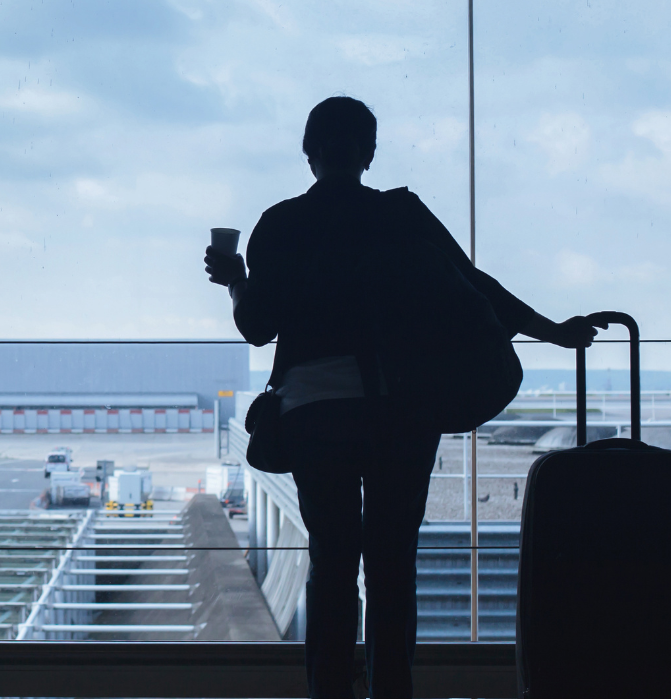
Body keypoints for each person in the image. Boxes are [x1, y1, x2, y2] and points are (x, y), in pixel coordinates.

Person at [203, 96, 593, 699]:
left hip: (315, 412)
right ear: (369, 152)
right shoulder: (400, 214)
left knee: (333, 564)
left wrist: (234, 279)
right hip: (400, 408)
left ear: (308, 153)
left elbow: (257, 325)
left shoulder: (279, 223)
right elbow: (476, 288)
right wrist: (555, 332)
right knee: (391, 566)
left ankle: (330, 690)